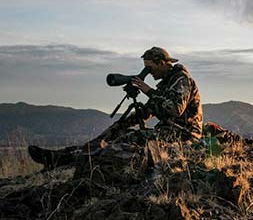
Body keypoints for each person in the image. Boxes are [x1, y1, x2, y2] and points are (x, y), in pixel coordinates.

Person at [28, 46, 203, 168]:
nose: (149, 72)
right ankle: (61, 157)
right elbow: (150, 110)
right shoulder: (166, 84)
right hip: (169, 131)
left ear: (162, 63)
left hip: (184, 135)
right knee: (117, 133)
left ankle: (76, 160)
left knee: (126, 141)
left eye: (150, 68)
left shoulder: (181, 79)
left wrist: (147, 90)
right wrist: (121, 125)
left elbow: (174, 109)